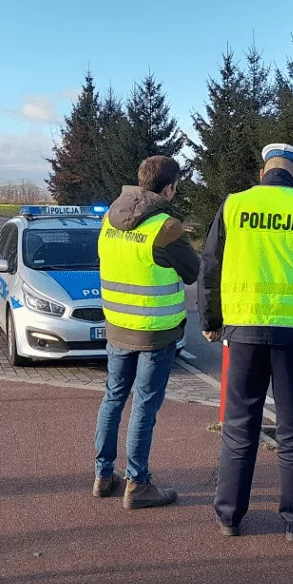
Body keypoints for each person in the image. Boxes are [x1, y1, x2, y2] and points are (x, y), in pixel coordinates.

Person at [198, 143, 293, 542]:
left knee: (239, 425)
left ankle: (230, 517)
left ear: (264, 169)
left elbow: (211, 264)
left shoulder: (234, 205)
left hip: (243, 332)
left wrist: (212, 319)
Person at [93, 156, 199, 509]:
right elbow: (193, 272)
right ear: (168, 188)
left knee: (113, 398)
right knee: (144, 405)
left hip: (117, 326)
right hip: (155, 332)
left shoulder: (109, 218)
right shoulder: (166, 228)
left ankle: (103, 475)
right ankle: (137, 484)